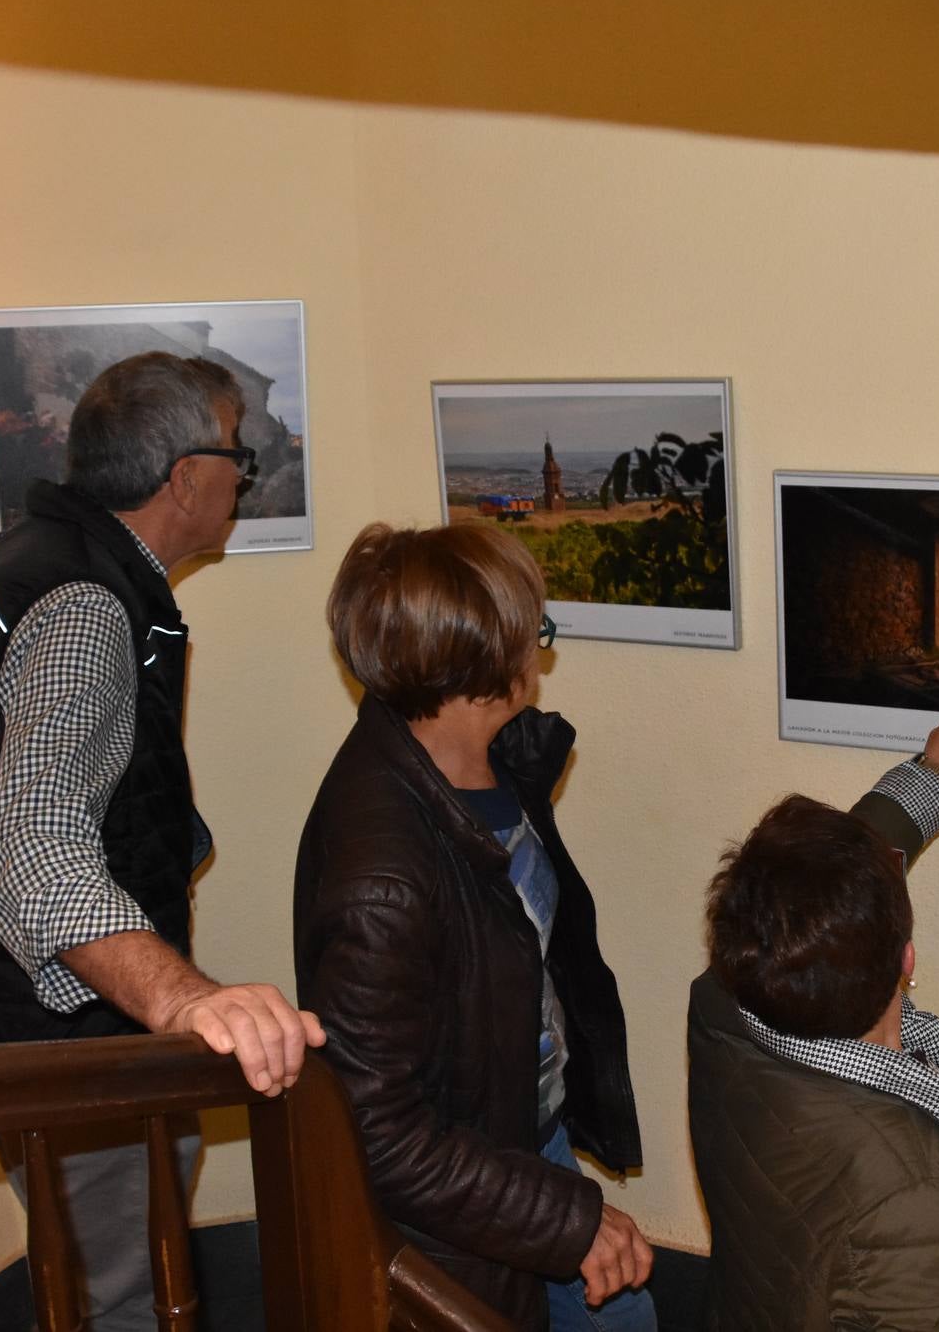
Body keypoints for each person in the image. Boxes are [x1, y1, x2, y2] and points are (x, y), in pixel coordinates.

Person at [0, 351, 324, 1332]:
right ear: (184, 479)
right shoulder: (84, 607)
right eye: (236, 455)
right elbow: (37, 861)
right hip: (63, 1041)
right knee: (124, 1292)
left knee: (95, 1264)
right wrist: (184, 1000)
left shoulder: (23, 561)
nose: (245, 474)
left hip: (3, 1011)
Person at [295, 521, 656, 1332]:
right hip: (463, 1178)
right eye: (536, 630)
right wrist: (564, 1220)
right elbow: (377, 1133)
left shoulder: (479, 765)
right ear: (483, 658)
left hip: (525, 1128)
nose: (542, 648)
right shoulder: (380, 882)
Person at [688, 675, 939, 1331]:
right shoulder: (919, 1203)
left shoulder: (721, 1004)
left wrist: (933, 772)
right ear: (907, 962)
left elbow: (822, 892)